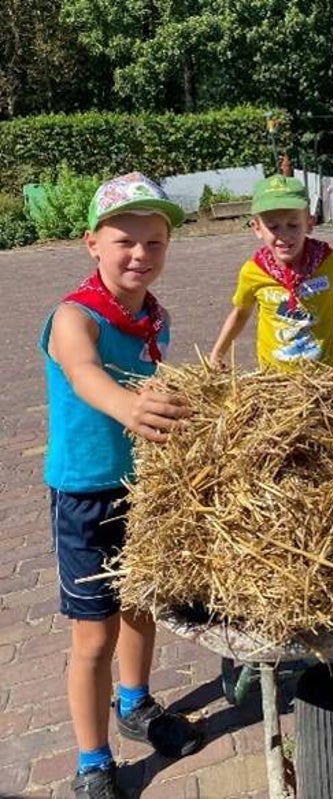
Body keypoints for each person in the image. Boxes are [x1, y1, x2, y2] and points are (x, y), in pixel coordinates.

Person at [40, 173, 203, 798]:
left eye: (155, 242)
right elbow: (83, 373)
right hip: (84, 493)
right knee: (93, 633)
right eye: (124, 240)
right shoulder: (74, 315)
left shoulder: (153, 321)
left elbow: (159, 390)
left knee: (142, 604)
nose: (140, 254)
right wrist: (128, 407)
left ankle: (134, 704)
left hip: (144, 489)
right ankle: (91, 760)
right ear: (92, 243)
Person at [209, 175, 333, 371]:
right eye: (273, 226)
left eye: (293, 225)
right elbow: (240, 313)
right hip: (273, 381)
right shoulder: (254, 271)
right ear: (257, 228)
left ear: (309, 223)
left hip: (325, 378)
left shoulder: (329, 261)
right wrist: (216, 354)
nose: (284, 235)